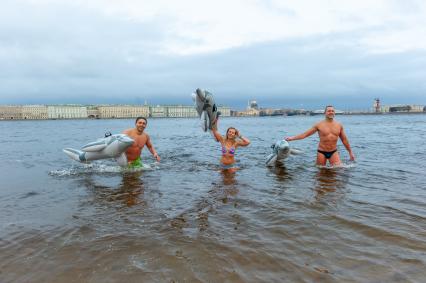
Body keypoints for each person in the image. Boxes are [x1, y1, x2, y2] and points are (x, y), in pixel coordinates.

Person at [285, 105, 355, 166]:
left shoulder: (339, 125)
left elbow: (344, 140)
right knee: (321, 172)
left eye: (332, 111)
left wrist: (350, 152)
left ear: (334, 113)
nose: (331, 112)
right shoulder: (319, 125)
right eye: (329, 111)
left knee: (337, 171)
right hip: (321, 152)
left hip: (333, 152)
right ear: (325, 113)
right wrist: (292, 138)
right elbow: (305, 135)